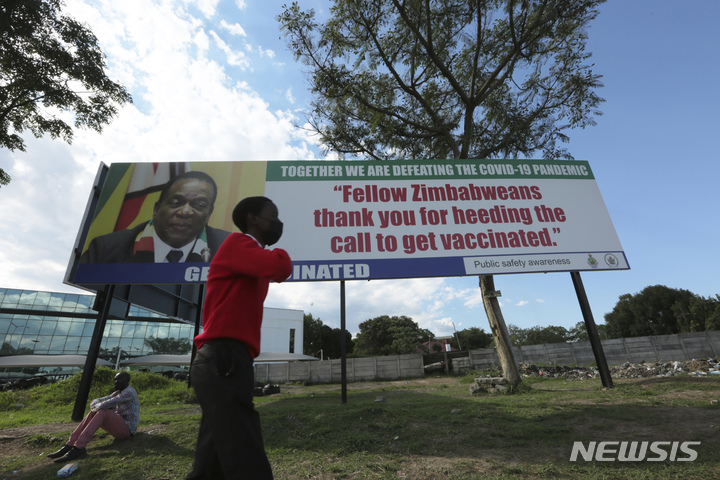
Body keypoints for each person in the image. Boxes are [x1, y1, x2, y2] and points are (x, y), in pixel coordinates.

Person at [186, 196, 292, 480]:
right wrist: (279, 252)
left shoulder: (248, 257)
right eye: (273, 214)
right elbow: (281, 267)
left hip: (225, 360)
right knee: (244, 450)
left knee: (211, 460)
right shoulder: (238, 244)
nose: (277, 222)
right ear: (252, 219)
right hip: (224, 358)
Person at [80, 171, 231, 263]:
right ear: (156, 209)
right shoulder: (106, 249)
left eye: (199, 205)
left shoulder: (229, 249)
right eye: (176, 202)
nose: (185, 212)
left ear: (209, 215)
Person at [48, 372, 140, 463]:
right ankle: (70, 444)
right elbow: (96, 401)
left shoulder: (129, 392)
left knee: (103, 412)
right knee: (96, 412)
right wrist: (96, 406)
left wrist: (97, 406)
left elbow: (109, 403)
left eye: (119, 380)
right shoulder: (117, 393)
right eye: (115, 380)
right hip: (119, 426)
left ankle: (78, 447)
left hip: (127, 430)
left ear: (127, 381)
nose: (116, 382)